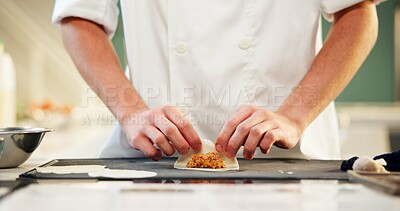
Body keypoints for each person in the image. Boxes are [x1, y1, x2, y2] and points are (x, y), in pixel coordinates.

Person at [52, 0, 382, 160]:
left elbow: (358, 12)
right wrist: (131, 112)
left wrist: (295, 116)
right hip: (155, 163)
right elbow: (80, 16)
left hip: (284, 164)